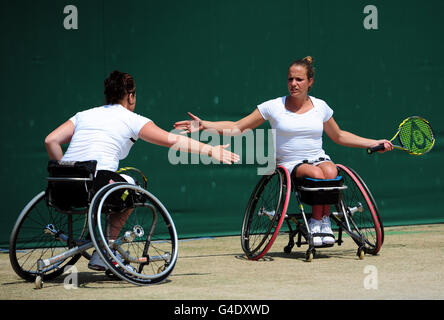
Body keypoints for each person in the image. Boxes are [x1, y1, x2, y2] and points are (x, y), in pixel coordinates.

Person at [174, 56, 393, 247]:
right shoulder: (273, 106)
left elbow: (339, 136)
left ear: (310, 82)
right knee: (317, 174)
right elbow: (238, 127)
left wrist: (373, 142)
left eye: (299, 79)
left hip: (319, 158)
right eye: (290, 79)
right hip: (289, 164)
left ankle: (322, 222)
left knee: (330, 169)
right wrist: (205, 125)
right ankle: (317, 223)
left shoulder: (321, 106)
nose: (294, 84)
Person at [45, 70, 240, 270]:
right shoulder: (133, 119)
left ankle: (103, 247)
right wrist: (210, 150)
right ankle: (106, 251)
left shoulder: (83, 116)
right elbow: (173, 139)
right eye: (134, 94)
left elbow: (50, 140)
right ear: (130, 96)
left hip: (61, 184)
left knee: (119, 183)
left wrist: (69, 172)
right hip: (97, 183)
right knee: (133, 187)